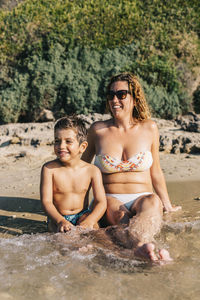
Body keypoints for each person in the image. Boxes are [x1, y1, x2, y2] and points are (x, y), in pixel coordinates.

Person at [82, 72, 181, 261]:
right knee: (120, 216)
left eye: (121, 94)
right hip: (111, 198)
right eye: (111, 95)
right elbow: (82, 170)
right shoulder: (98, 130)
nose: (115, 100)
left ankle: (142, 249)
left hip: (143, 196)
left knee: (153, 203)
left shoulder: (149, 128)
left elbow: (156, 171)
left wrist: (167, 205)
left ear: (135, 98)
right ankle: (145, 249)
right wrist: (83, 210)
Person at [40, 116, 107, 233]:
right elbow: (46, 202)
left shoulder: (92, 171)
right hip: (58, 217)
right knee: (64, 241)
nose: (61, 146)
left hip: (83, 215)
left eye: (68, 141)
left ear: (82, 147)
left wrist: (90, 221)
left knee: (97, 234)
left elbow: (101, 202)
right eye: (57, 141)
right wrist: (60, 220)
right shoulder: (49, 169)